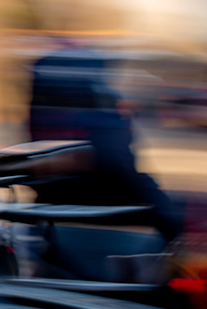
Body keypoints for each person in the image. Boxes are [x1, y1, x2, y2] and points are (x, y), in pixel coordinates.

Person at [25, 45, 182, 239]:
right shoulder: (100, 108)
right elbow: (116, 162)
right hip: (110, 215)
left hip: (49, 211)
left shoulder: (43, 109)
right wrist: (165, 212)